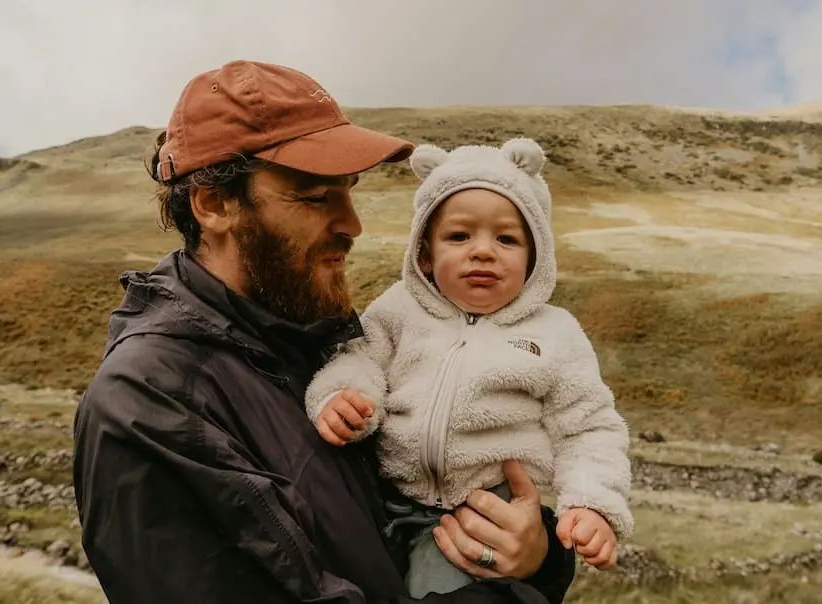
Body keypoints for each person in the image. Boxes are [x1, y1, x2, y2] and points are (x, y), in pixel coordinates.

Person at [71, 59, 578, 604]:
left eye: (348, 191)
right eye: (316, 197)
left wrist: (535, 555)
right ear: (214, 204)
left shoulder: (315, 343)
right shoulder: (147, 405)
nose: (352, 224)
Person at [303, 138, 634, 597]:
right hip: (383, 500)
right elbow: (359, 359)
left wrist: (592, 504)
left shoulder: (556, 334)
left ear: (535, 257)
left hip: (487, 513)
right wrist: (341, 397)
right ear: (424, 253)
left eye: (506, 238)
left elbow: (590, 427)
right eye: (459, 236)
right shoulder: (397, 310)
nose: (482, 251)